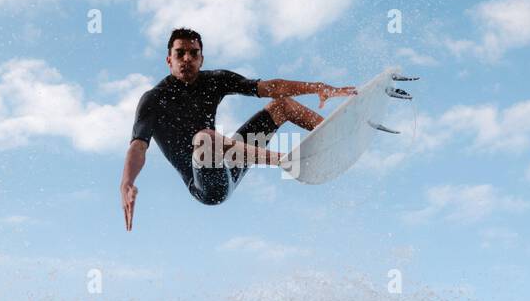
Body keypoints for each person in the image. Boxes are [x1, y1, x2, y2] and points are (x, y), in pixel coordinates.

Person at [120, 28, 356, 229]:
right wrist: (127, 181)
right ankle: (286, 160)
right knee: (204, 137)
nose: (187, 59)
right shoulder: (154, 99)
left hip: (230, 162)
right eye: (180, 53)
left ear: (202, 59)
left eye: (194, 53)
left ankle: (335, 132)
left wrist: (318, 87)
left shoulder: (214, 80)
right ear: (169, 59)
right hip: (207, 186)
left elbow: (271, 87)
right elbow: (138, 147)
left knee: (281, 106)